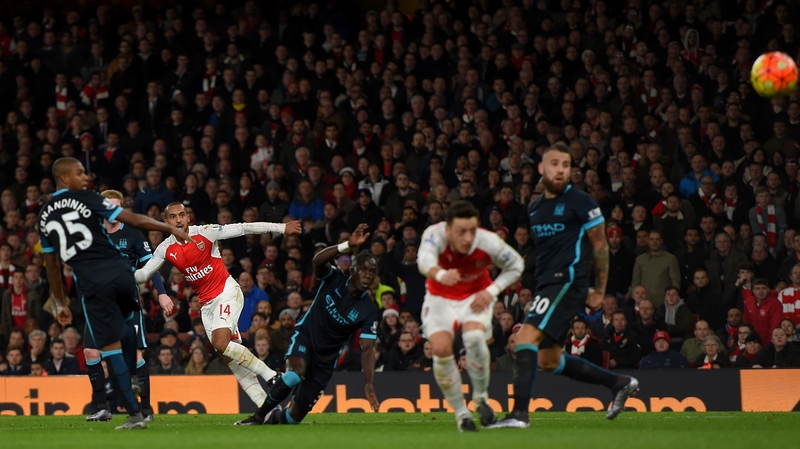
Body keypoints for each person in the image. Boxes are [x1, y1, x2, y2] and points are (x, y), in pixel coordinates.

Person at [489, 144, 638, 430]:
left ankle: (519, 415)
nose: (561, 169)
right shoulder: (534, 209)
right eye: (554, 163)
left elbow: (599, 245)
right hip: (547, 285)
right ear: (542, 169)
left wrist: (599, 289)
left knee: (523, 340)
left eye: (566, 164)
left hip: (567, 281)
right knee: (547, 359)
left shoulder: (581, 201)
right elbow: (545, 252)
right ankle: (619, 383)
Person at [37, 157, 194, 430]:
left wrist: (60, 302)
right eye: (79, 172)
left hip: (92, 285)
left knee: (110, 349)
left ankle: (135, 411)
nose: (86, 176)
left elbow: (52, 265)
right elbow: (131, 217)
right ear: (64, 178)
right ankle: (130, 393)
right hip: (122, 274)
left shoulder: (44, 214)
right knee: (122, 340)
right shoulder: (87, 198)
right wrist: (167, 227)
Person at [133, 202, 301, 417]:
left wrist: (281, 228)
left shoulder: (205, 233)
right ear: (166, 222)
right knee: (229, 356)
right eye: (173, 217)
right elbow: (144, 274)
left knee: (222, 343)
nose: (179, 220)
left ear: (188, 217)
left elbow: (243, 228)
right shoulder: (165, 248)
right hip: (206, 304)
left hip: (226, 292)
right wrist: (122, 275)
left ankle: (273, 376)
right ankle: (266, 411)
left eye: (182, 215)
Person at [236, 224, 380, 426]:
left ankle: (273, 420)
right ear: (353, 270)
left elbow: (367, 349)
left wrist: (369, 382)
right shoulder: (334, 278)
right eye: (364, 270)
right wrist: (347, 245)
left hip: (326, 360)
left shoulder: (369, 309)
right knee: (294, 374)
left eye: (372, 272)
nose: (368, 275)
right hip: (306, 337)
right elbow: (317, 261)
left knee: (293, 418)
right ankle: (258, 417)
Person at [417, 201, 524, 431]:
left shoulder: (487, 241)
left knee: (475, 338)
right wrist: (440, 273)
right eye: (461, 232)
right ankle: (462, 415)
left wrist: (491, 291)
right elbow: (423, 260)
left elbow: (516, 265)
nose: (467, 238)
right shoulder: (435, 234)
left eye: (472, 230)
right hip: (440, 298)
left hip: (476, 296)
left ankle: (481, 399)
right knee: (442, 350)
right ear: (448, 230)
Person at [81, 189, 170, 422]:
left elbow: (150, 266)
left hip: (126, 304)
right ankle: (101, 407)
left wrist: (161, 294)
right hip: (98, 304)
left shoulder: (133, 235)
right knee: (91, 351)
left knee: (136, 356)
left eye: (116, 207)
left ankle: (146, 410)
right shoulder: (91, 234)